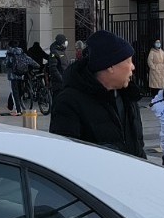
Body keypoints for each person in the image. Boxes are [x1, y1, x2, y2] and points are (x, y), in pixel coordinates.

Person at [50, 30, 147, 158]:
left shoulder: (129, 97)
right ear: (110, 66)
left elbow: (138, 145)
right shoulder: (70, 101)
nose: (133, 67)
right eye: (128, 61)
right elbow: (64, 156)